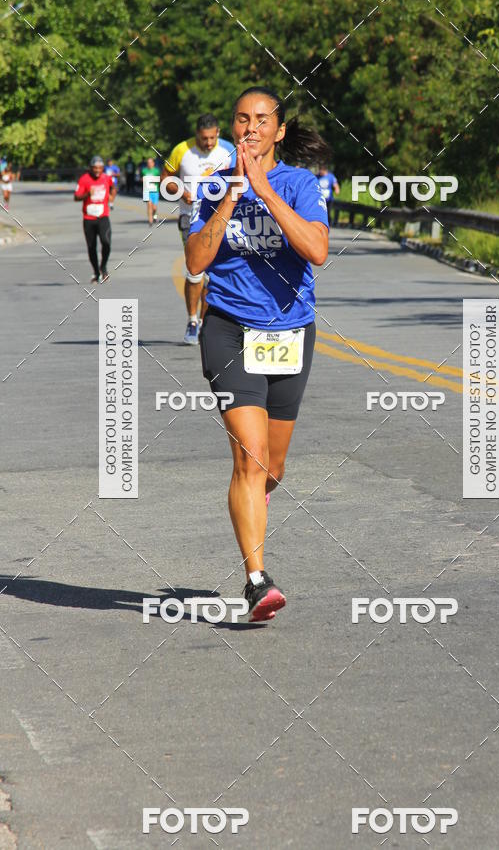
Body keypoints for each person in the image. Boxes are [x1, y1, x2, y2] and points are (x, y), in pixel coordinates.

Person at [185, 86, 329, 622]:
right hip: (228, 329)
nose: (251, 128)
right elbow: (195, 262)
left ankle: (255, 500)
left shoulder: (300, 184)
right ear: (232, 127)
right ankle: (256, 581)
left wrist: (265, 191)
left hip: (290, 333)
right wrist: (230, 197)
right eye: (242, 119)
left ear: (279, 130)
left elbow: (317, 250)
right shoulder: (212, 185)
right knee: (249, 458)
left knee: (273, 466)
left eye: (262, 119)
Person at [161, 114, 236, 345]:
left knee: (213, 273)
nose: (209, 143)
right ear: (197, 135)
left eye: (213, 138)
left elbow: (241, 177)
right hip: (190, 217)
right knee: (195, 270)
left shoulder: (228, 150)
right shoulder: (182, 150)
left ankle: (205, 322)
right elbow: (165, 179)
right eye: (204, 138)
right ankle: (192, 320)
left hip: (220, 218)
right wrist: (181, 191)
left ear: (218, 133)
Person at [74, 156, 116, 283]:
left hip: (103, 217)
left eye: (100, 168)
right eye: (95, 168)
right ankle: (96, 272)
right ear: (90, 168)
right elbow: (76, 197)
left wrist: (112, 197)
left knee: (106, 242)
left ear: (103, 168)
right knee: (91, 247)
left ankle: (103, 267)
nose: (97, 170)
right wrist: (87, 194)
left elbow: (113, 188)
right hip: (89, 218)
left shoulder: (106, 178)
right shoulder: (84, 179)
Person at [141, 157, 160, 225]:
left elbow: (160, 179)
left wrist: (153, 180)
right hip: (146, 191)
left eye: (150, 162)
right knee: (149, 205)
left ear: (153, 163)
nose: (149, 164)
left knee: (154, 207)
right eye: (148, 163)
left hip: (155, 191)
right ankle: (150, 221)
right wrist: (143, 180)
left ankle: (154, 216)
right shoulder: (144, 171)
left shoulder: (156, 171)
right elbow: (141, 178)